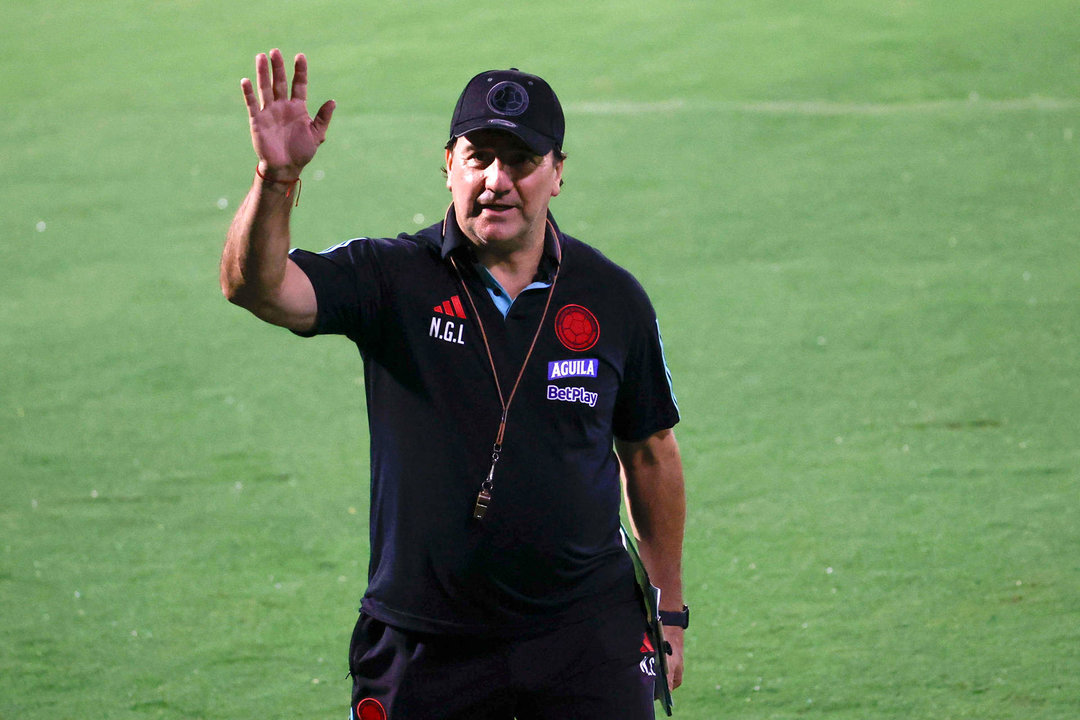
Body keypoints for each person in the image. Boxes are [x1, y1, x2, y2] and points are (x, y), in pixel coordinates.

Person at [220, 48, 688, 720]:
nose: (498, 179)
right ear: (448, 167)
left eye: (521, 161)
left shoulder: (611, 298)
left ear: (557, 174)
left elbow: (649, 452)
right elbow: (256, 287)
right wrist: (275, 178)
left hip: (586, 639)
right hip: (426, 645)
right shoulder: (391, 279)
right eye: (479, 157)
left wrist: (668, 610)